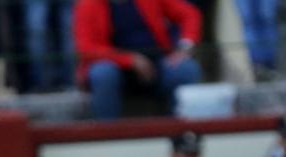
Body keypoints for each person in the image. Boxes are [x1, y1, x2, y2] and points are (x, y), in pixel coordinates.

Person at [73, 0, 203, 120]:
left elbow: (189, 14)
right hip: (114, 68)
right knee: (103, 73)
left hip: (157, 65)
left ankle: (179, 130)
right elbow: (86, 48)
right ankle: (107, 132)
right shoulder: (88, 4)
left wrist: (185, 46)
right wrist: (130, 60)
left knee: (185, 69)